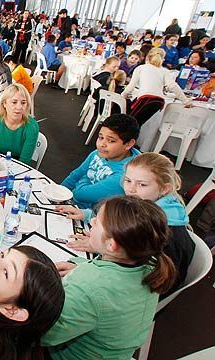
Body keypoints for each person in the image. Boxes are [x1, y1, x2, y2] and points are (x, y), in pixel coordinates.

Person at [42, 196, 177, 359]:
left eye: (97, 222)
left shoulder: (88, 286)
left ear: (112, 246)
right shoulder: (151, 264)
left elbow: (46, 336)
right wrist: (82, 266)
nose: (91, 222)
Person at [57, 152, 194, 296]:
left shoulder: (154, 226)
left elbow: (130, 275)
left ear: (164, 189)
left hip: (142, 291)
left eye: (142, 184)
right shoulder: (152, 207)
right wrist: (87, 215)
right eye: (128, 181)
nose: (131, 189)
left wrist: (99, 251)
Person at [61, 114, 141, 209]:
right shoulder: (98, 153)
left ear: (128, 144)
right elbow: (75, 175)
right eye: (100, 137)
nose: (102, 144)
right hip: (72, 202)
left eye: (111, 141)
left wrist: (84, 179)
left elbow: (82, 195)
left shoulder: (127, 174)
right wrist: (60, 192)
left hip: (91, 216)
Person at [121, 48, 191, 126]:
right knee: (136, 123)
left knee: (129, 123)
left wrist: (122, 96)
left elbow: (131, 87)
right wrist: (185, 101)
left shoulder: (141, 68)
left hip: (146, 98)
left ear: (147, 57)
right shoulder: (164, 71)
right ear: (163, 59)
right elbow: (173, 86)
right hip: (159, 101)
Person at [0, 84, 39, 162]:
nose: (19, 107)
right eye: (14, 102)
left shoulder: (32, 127)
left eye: (23, 103)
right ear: (4, 104)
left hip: (20, 165)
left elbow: (24, 161)